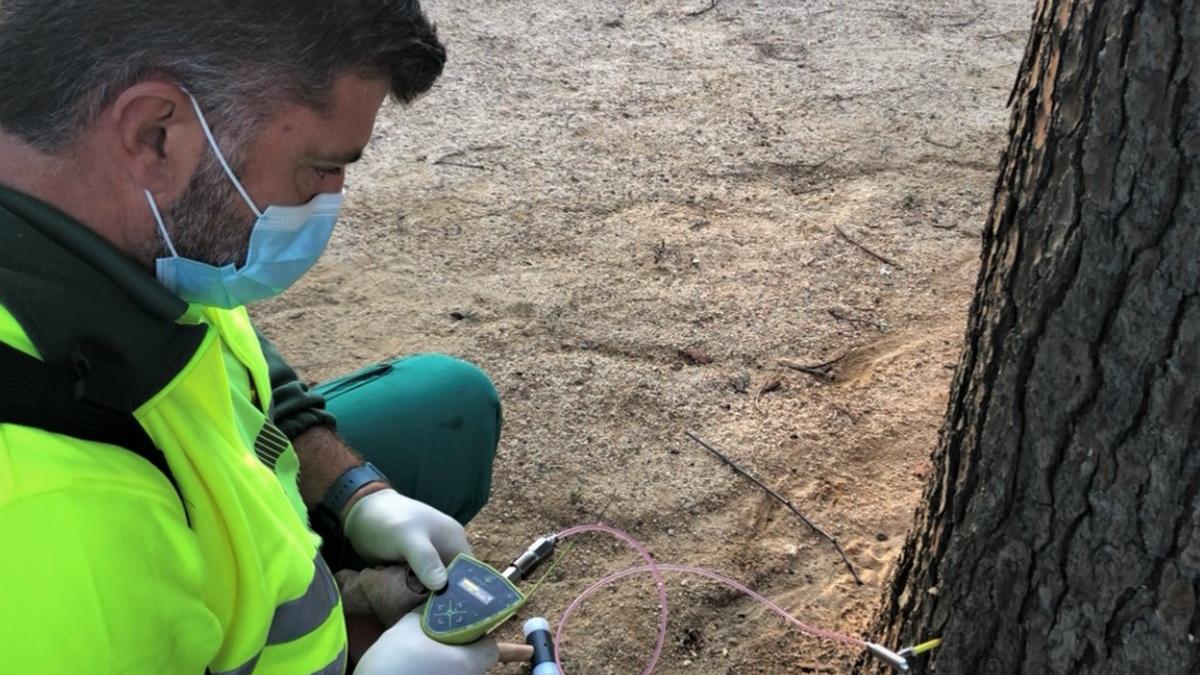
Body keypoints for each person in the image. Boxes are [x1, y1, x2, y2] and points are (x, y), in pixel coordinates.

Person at [0, 1, 501, 673]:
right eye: (318, 166)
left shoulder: (115, 227)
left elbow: (227, 348)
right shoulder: (59, 526)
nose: (331, 197)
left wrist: (353, 492)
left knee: (449, 405)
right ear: (155, 134)